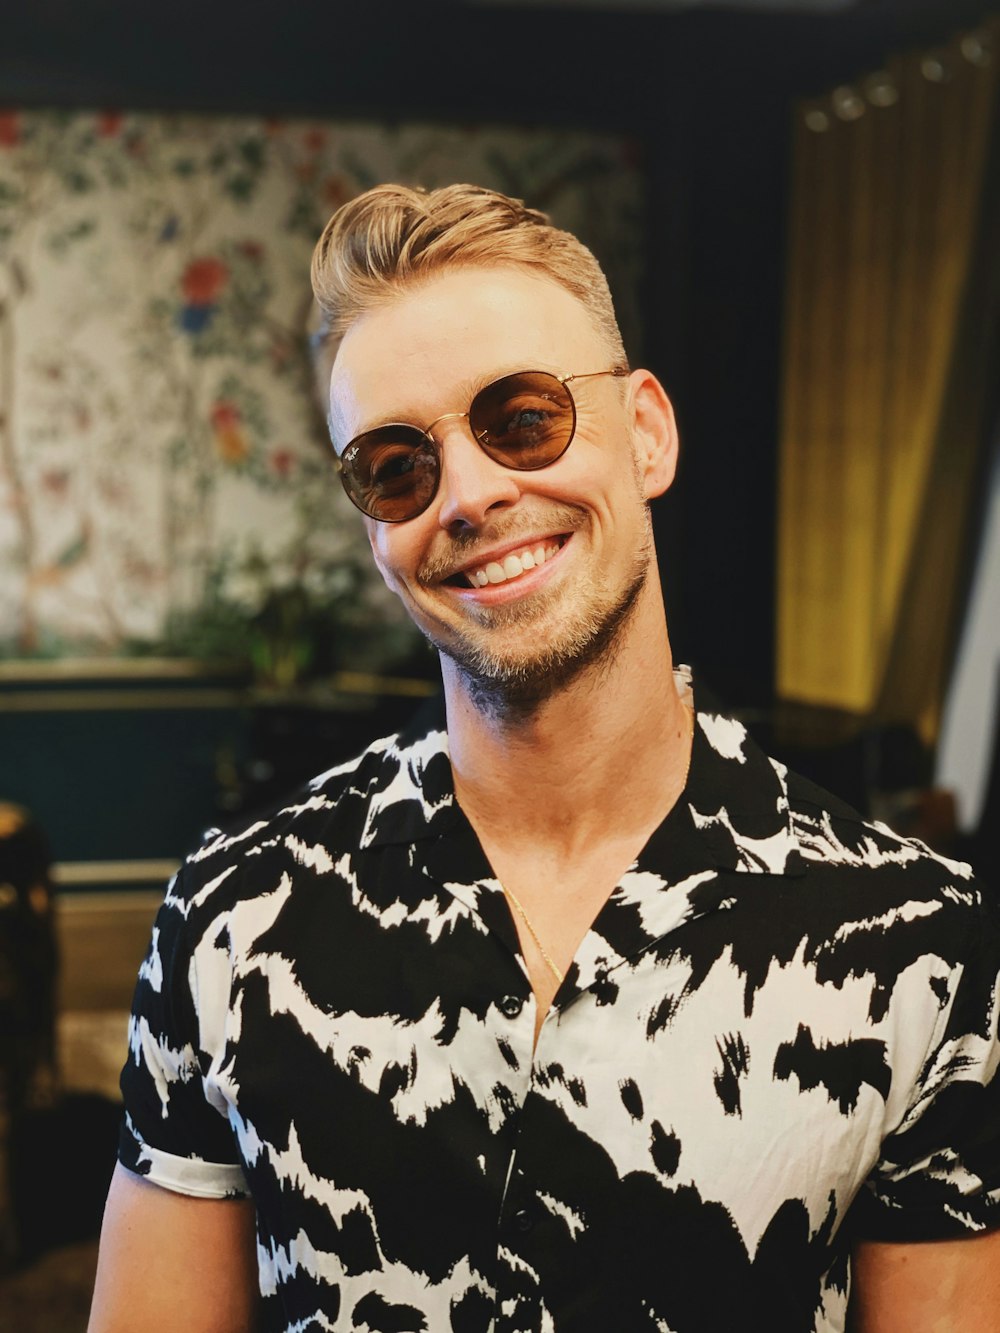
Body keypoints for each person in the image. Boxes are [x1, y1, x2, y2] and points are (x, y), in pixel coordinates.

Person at [89, 184, 1000, 1333]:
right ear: (373, 527)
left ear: (648, 432)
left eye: (521, 418)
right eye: (396, 466)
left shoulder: (911, 937)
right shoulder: (236, 916)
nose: (468, 494)